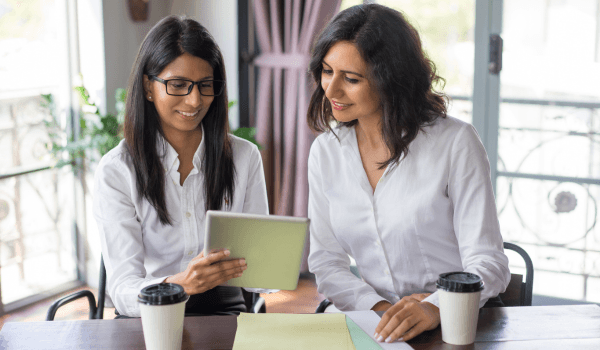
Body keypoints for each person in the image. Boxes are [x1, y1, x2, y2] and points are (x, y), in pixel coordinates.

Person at [306, 4, 510, 343]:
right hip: (379, 325)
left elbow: (488, 263)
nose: (331, 91)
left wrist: (434, 307)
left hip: (455, 323)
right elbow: (327, 263)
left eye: (351, 79)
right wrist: (382, 309)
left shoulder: (456, 143)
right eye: (327, 72)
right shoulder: (325, 152)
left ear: (391, 79)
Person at [93, 16, 270, 318]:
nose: (194, 101)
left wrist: (269, 267)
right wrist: (180, 284)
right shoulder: (117, 170)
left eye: (205, 85)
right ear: (149, 87)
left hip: (223, 306)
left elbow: (261, 274)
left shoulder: (244, 157)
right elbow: (122, 289)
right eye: (178, 85)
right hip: (150, 306)